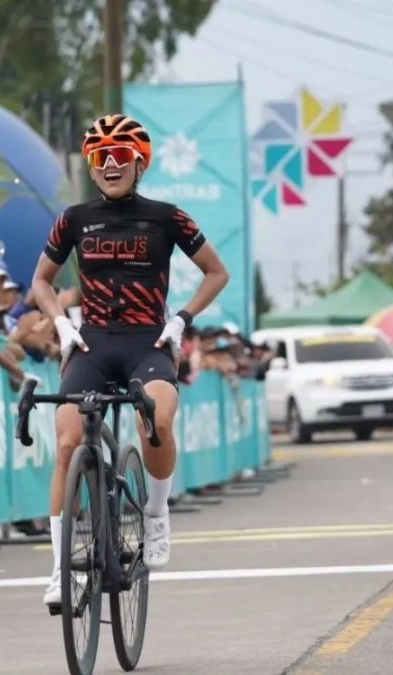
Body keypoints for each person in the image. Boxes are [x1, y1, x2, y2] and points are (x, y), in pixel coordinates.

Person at [30, 114, 229, 606]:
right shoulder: (74, 219)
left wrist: (180, 320)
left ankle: (157, 514)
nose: (111, 164)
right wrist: (61, 323)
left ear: (140, 163)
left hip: (148, 343)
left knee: (157, 418)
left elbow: (216, 272)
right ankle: (59, 570)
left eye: (122, 155)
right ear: (93, 167)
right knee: (66, 443)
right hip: (92, 344)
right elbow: (40, 281)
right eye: (101, 157)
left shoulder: (167, 216)